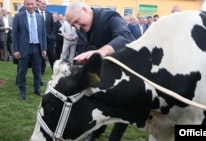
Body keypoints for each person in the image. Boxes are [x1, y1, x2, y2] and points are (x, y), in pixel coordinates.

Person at [65, 1, 135, 141]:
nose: (77, 27)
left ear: (85, 9)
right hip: (102, 72)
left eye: (77, 21)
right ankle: (95, 131)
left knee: (123, 107)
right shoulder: (82, 28)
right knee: (97, 100)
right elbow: (86, 49)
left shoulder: (110, 16)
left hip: (126, 73)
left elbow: (126, 38)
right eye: (73, 25)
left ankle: (114, 138)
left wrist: (100, 52)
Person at [12, 0, 47, 100]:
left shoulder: (40, 17)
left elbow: (43, 34)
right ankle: (22, 91)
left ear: (36, 4)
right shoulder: (19, 16)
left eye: (32, 4)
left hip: (37, 47)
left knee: (37, 70)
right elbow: (14, 34)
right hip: (24, 48)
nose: (30, 6)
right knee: (22, 71)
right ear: (24, 5)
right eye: (28, 4)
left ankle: (37, 89)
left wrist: (44, 48)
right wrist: (16, 50)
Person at [37, 0, 56, 74]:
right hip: (39, 40)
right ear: (39, 4)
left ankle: (55, 71)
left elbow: (53, 27)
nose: (44, 5)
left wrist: (52, 36)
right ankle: (42, 70)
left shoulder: (49, 14)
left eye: (45, 4)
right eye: (42, 4)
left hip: (49, 40)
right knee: (40, 56)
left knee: (52, 56)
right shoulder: (35, 13)